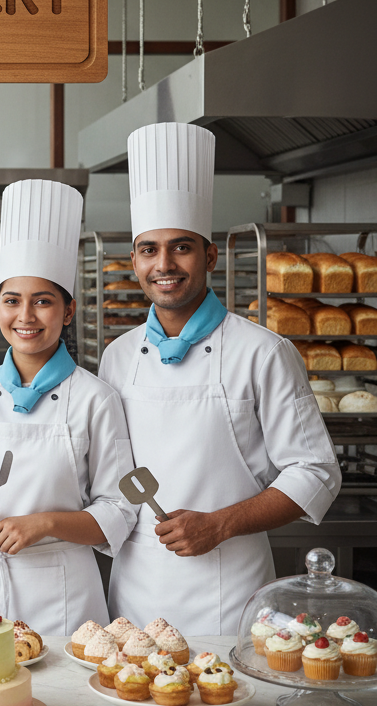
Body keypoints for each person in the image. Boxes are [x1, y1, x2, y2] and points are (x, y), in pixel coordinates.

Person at [101, 122, 341, 633]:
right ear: (134, 261)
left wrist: (220, 523)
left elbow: (316, 472)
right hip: (135, 591)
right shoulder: (118, 356)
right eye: (149, 250)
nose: (164, 264)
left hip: (229, 591)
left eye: (181, 247)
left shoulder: (262, 351)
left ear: (210, 256)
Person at [0, 179, 137, 633]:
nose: (26, 317)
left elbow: (121, 508)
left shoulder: (96, 397)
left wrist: (45, 523)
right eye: (12, 301)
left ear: (68, 311)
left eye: (43, 302)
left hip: (65, 596)